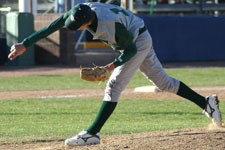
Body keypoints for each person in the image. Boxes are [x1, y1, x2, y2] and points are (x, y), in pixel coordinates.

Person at [8, 2, 222, 146]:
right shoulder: (82, 10)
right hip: (138, 32)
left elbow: (130, 50)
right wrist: (26, 44)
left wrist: (111, 66)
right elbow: (55, 24)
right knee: (164, 83)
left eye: (78, 26)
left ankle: (92, 134)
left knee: (114, 85)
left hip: (136, 41)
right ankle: (206, 102)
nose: (75, 27)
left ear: (86, 22)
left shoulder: (109, 27)